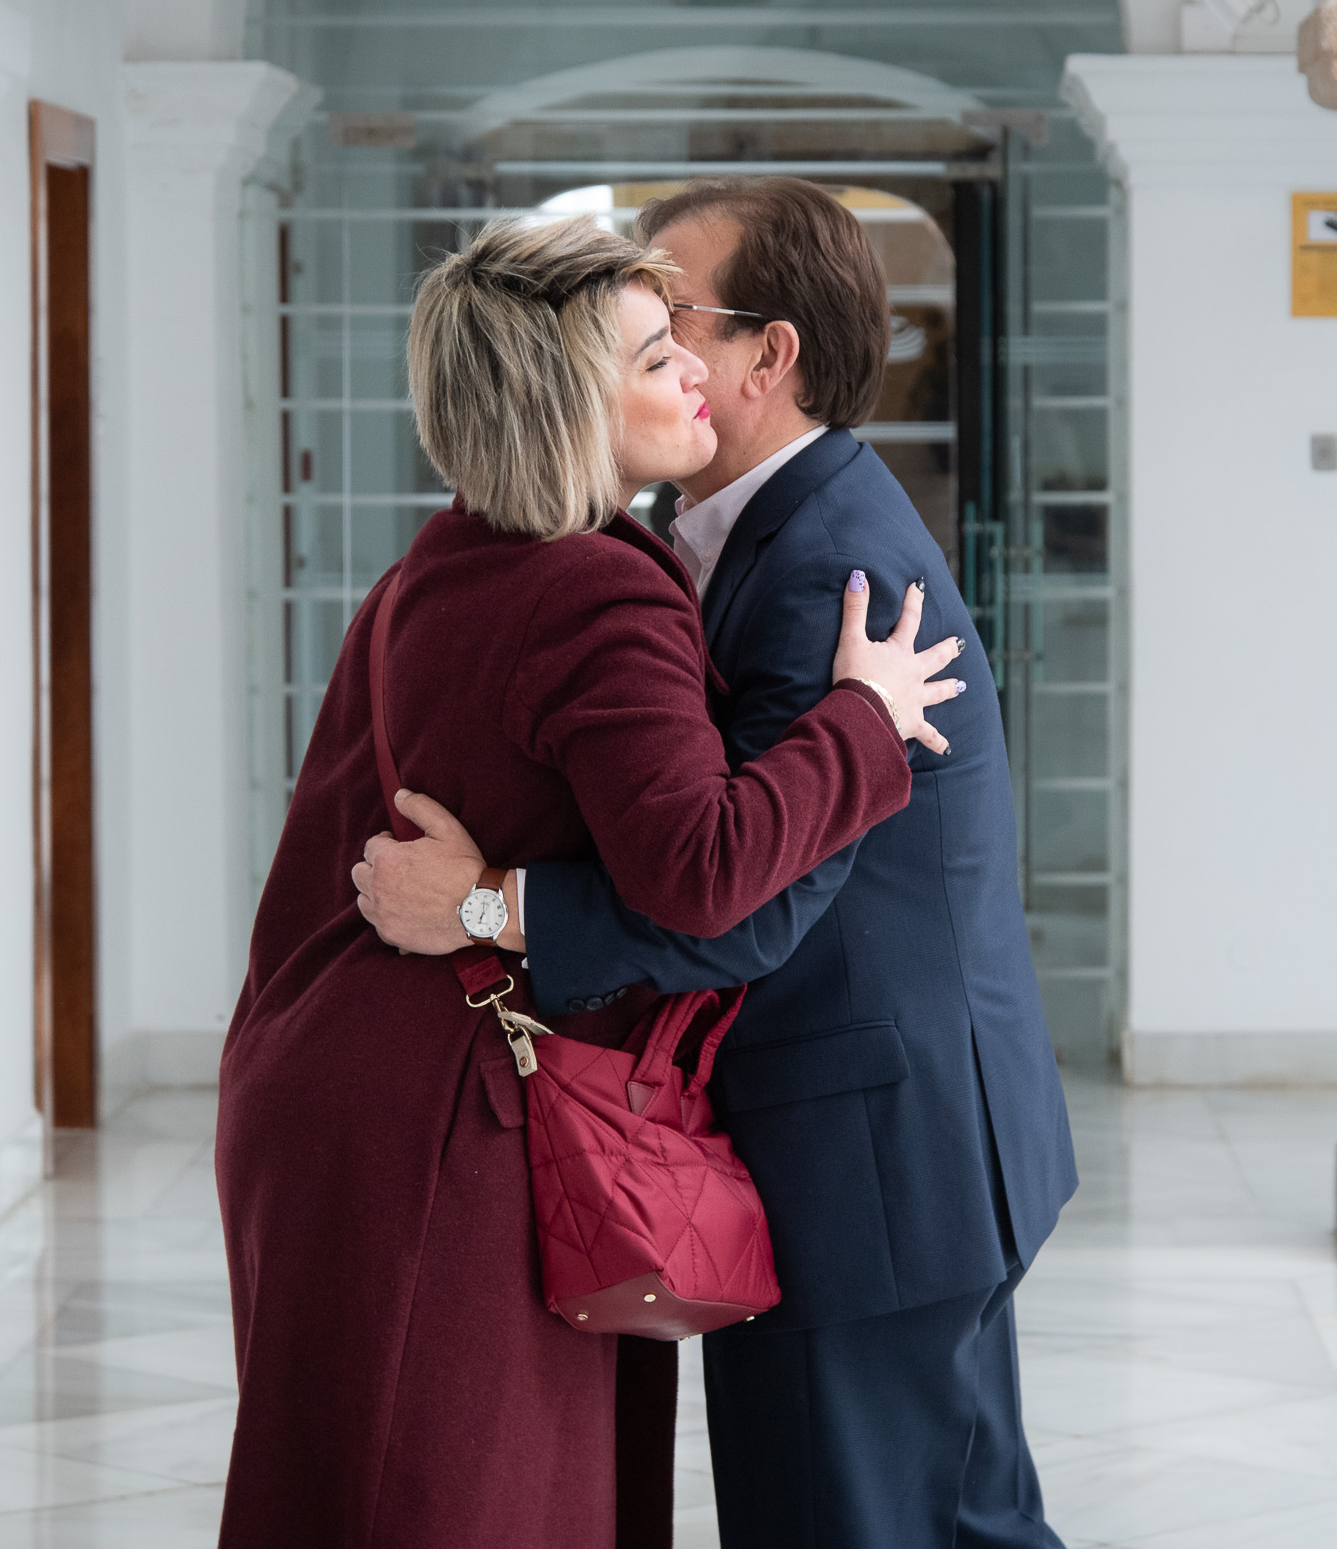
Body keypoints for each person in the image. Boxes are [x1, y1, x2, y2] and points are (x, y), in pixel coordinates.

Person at [213, 214, 963, 1549]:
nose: (691, 374)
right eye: (651, 352)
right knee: (466, 1500)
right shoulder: (595, 597)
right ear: (565, 400)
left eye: (686, 338)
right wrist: (863, 721)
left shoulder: (435, 564)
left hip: (328, 1091)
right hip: (451, 1123)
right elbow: (700, 870)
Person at [356, 178, 1078, 1549]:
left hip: (867, 1149)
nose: (668, 353)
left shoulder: (826, 574)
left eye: (677, 317)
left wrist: (480, 905)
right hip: (882, 1130)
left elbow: (734, 903)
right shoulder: (735, 532)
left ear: (769, 353)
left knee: (866, 1519)